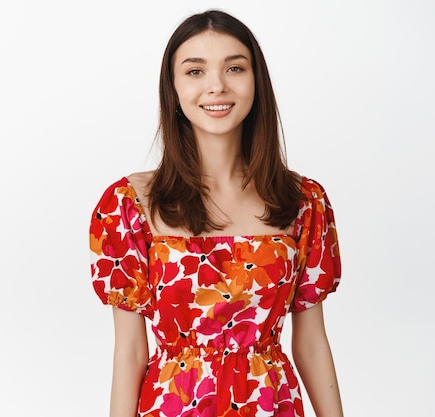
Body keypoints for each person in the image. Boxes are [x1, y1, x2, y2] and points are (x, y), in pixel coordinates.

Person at [89, 9, 344, 417]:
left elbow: (311, 343)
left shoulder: (303, 202)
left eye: (235, 68)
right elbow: (131, 350)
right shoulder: (127, 204)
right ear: (172, 89)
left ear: (256, 82)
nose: (217, 86)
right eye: (195, 71)